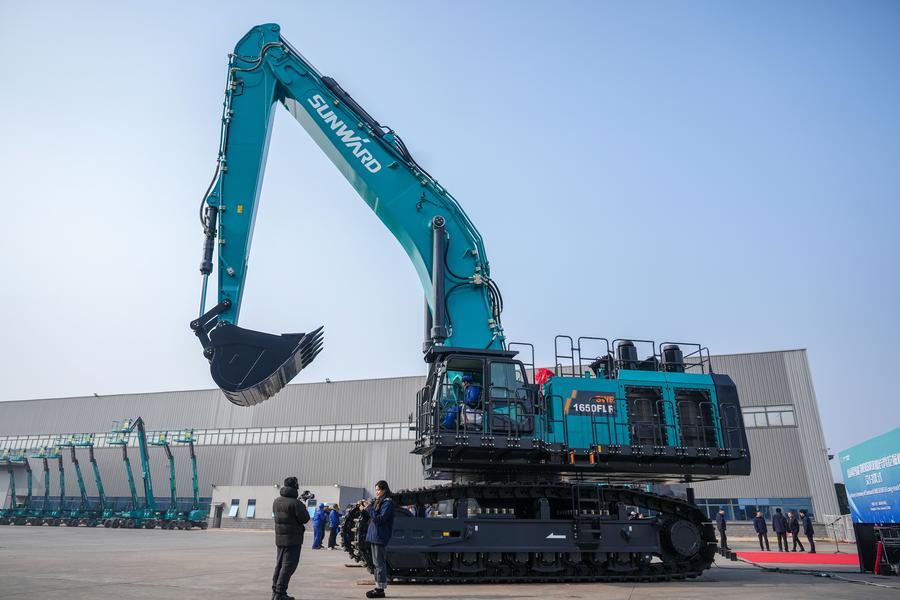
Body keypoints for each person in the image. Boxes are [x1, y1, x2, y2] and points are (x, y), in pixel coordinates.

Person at [272, 477, 311, 600]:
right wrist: (303, 506)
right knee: (288, 566)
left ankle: (275, 591)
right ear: (295, 486)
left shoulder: (276, 501)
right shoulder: (296, 503)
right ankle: (280, 593)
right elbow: (305, 519)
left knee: (279, 565)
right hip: (293, 539)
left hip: (280, 538)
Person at [364, 480, 395, 599]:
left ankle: (380, 589)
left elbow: (380, 519)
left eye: (378, 490)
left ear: (384, 490)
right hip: (375, 536)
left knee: (379, 563)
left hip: (380, 536)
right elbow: (373, 517)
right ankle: (378, 587)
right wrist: (365, 508)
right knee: (376, 564)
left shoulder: (387, 503)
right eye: (376, 489)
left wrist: (369, 508)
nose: (376, 492)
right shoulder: (380, 502)